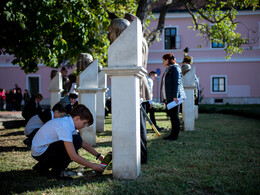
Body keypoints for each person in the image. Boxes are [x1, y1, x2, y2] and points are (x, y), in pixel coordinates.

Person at [31, 104, 105, 179]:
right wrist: (93, 165)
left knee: (77, 140)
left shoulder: (68, 122)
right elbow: (73, 156)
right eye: (84, 123)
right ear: (77, 119)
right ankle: (57, 173)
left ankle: (41, 167)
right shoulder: (64, 126)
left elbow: (83, 143)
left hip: (39, 151)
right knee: (75, 142)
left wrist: (98, 156)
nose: (84, 126)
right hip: (40, 152)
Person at [161, 53, 186, 141]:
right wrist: (165, 98)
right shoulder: (169, 69)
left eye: (163, 60)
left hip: (174, 97)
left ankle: (174, 136)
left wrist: (175, 96)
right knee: (172, 116)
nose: (163, 62)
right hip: (170, 97)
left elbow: (177, 82)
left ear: (167, 60)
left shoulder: (175, 68)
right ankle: (172, 134)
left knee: (174, 116)